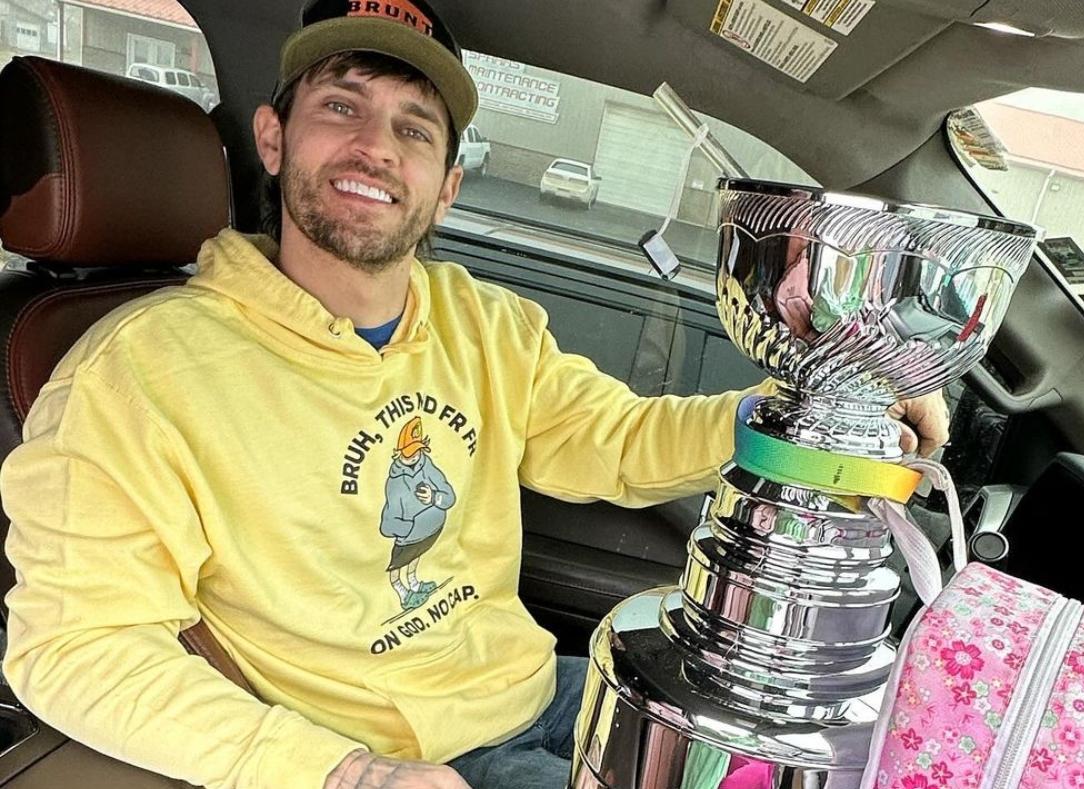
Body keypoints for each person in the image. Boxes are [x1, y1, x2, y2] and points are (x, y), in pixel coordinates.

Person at [0, 1, 950, 788]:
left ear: (447, 185)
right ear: (273, 137)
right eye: (342, 107)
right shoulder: (138, 376)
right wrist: (346, 775)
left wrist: (799, 419)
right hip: (403, 760)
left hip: (545, 692)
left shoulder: (481, 321)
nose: (377, 148)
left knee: (857, 755)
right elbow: (74, 647)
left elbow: (608, 437)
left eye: (414, 129)